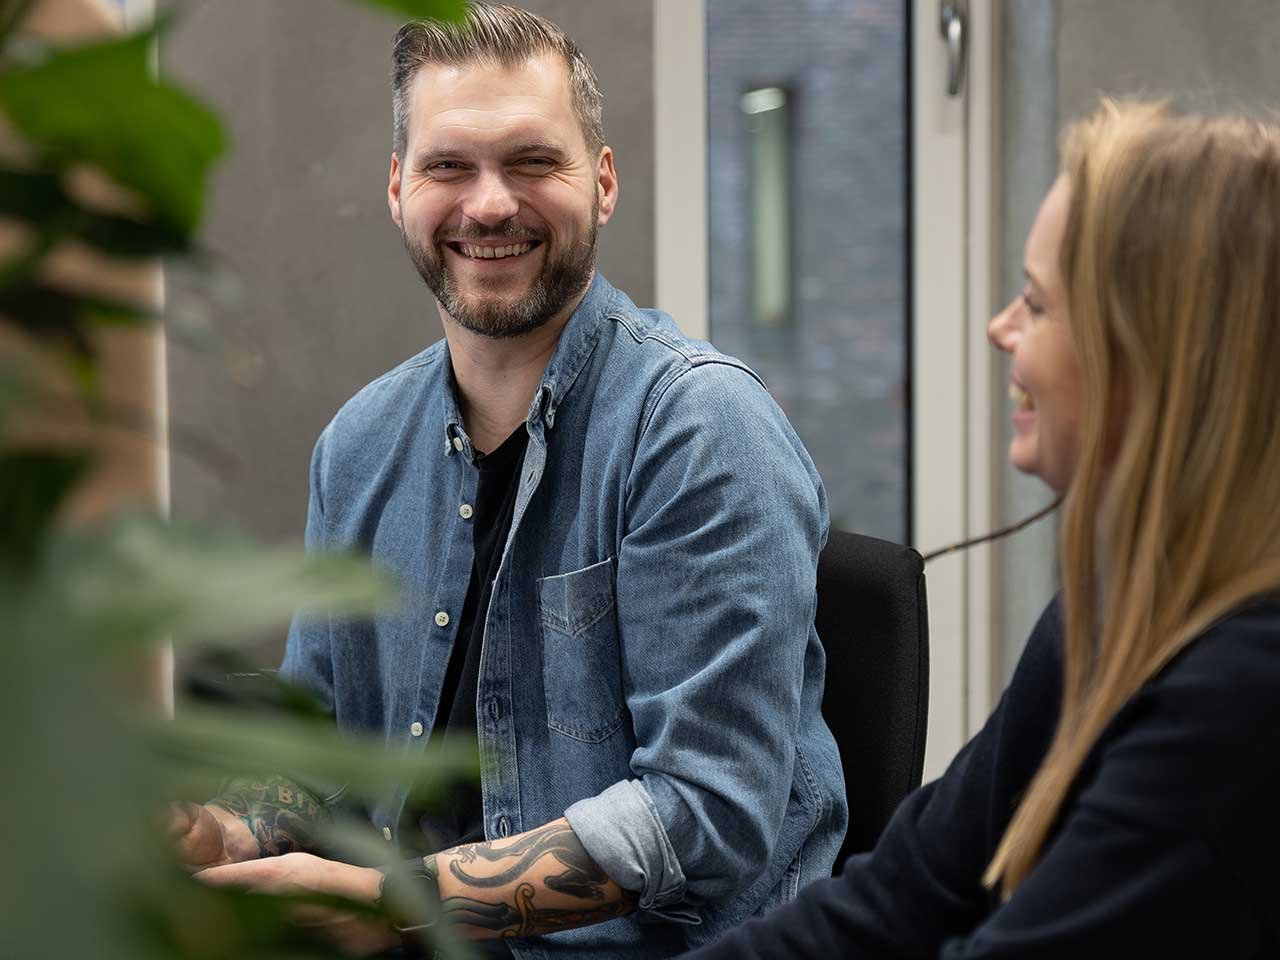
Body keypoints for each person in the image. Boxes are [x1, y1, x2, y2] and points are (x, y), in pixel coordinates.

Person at [178, 4, 846, 956]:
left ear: (603, 183)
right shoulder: (359, 446)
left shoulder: (700, 430)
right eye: (449, 166)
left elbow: (705, 814)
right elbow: (326, 745)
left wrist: (389, 899)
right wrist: (227, 831)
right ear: (399, 188)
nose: (490, 204)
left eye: (534, 162)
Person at [684, 100, 1280, 958]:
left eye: (1037, 304)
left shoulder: (1241, 700)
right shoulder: (1112, 610)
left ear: (1150, 358)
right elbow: (904, 894)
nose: (1000, 329)